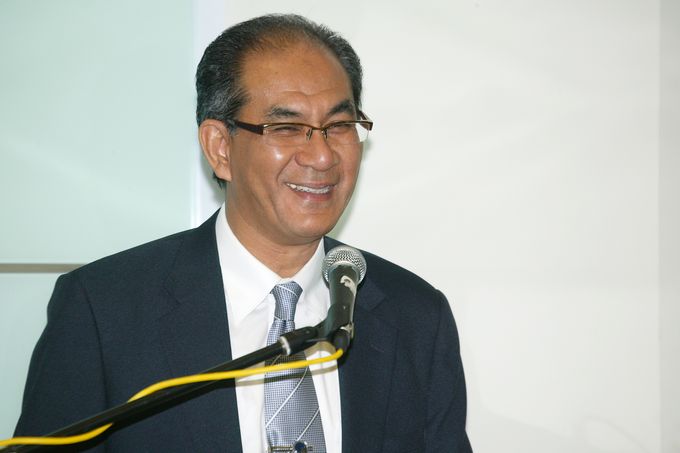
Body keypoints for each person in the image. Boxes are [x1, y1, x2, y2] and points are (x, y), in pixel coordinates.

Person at [14, 14, 472, 452]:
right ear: (220, 148)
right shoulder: (105, 312)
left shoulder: (415, 316)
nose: (322, 157)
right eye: (287, 127)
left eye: (338, 126)